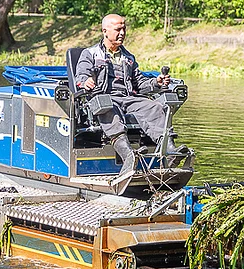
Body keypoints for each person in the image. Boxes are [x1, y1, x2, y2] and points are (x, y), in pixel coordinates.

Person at [74, 13, 178, 176]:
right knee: (108, 106)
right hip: (103, 98)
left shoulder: (128, 57)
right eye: (118, 29)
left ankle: (170, 151)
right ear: (105, 31)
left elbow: (140, 83)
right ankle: (128, 156)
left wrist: (156, 83)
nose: (122, 33)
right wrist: (86, 81)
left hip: (127, 97)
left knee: (154, 106)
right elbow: (80, 76)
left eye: (124, 29)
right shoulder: (90, 54)